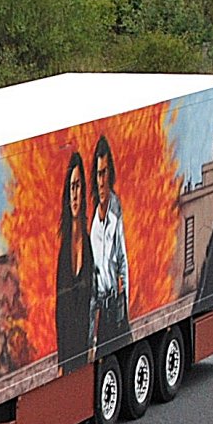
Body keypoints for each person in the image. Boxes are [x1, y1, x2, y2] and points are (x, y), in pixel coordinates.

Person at [89, 135, 131, 350]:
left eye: (104, 173)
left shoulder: (116, 212)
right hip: (101, 314)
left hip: (116, 309)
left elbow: (123, 261)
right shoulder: (93, 219)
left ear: (110, 174)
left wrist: (126, 310)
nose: (101, 180)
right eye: (98, 174)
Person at [56, 152, 95, 374]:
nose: (74, 194)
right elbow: (60, 310)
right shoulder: (63, 249)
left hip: (85, 349)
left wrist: (93, 344)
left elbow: (94, 299)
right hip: (69, 354)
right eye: (71, 187)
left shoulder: (90, 245)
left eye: (78, 186)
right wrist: (61, 364)